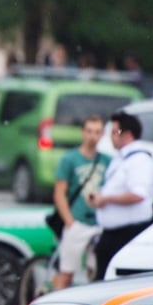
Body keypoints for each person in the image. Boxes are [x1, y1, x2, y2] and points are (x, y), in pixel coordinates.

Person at [89, 111, 153, 280]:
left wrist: (106, 199)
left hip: (128, 233)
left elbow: (138, 194)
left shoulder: (139, 160)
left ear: (126, 134)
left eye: (115, 132)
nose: (111, 137)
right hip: (112, 233)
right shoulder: (122, 159)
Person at [50, 115, 110, 291]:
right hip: (77, 221)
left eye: (97, 132)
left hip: (99, 223)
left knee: (96, 272)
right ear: (83, 133)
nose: (93, 136)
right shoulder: (70, 159)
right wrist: (69, 221)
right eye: (89, 131)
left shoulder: (107, 161)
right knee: (66, 272)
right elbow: (59, 193)